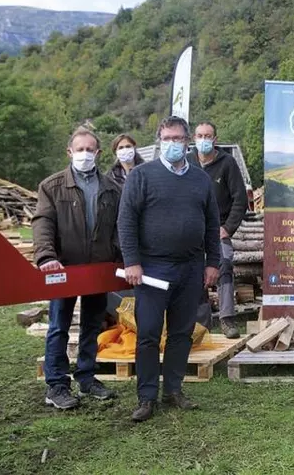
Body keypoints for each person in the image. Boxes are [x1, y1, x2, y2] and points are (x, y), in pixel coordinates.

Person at [118, 116, 221, 422]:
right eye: (168, 138)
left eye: (179, 139)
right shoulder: (141, 176)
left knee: (181, 332)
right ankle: (147, 397)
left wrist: (212, 262)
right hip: (152, 268)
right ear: (159, 140)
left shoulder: (200, 179)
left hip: (190, 267)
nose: (174, 144)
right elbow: (126, 222)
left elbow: (212, 224)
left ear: (187, 142)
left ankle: (173, 389)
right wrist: (132, 262)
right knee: (148, 333)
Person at [33, 126, 122, 409]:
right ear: (70, 152)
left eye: (89, 150)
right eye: (79, 149)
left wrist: (117, 257)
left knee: (93, 324)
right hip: (64, 268)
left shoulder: (111, 188)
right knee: (59, 325)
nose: (84, 154)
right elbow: (43, 222)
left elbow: (120, 226)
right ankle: (56, 384)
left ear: (97, 153)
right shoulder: (52, 186)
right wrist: (46, 256)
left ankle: (86, 376)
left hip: (98, 268)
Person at [189, 121, 248, 339]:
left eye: (208, 135)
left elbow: (240, 200)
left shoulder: (228, 163)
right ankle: (200, 322)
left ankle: (227, 318)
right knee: (193, 271)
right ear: (193, 138)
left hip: (218, 230)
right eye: (199, 135)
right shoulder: (186, 162)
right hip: (191, 230)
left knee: (224, 264)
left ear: (215, 139)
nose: (203, 139)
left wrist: (228, 228)